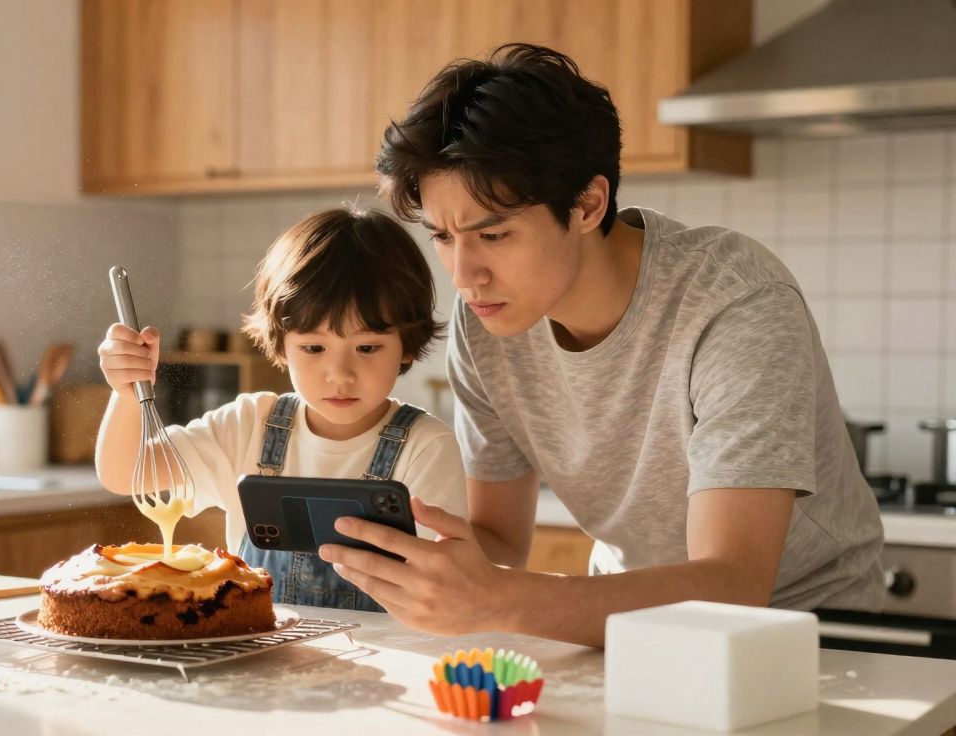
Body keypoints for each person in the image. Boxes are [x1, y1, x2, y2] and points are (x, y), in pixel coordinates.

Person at [318, 43, 883, 645]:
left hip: (807, 634)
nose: (464, 275)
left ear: (588, 204)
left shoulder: (735, 300)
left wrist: (503, 597)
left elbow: (733, 585)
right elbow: (501, 541)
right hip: (619, 626)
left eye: (495, 234)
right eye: (442, 237)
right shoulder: (484, 323)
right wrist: (382, 557)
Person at [94, 207, 468, 611]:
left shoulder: (426, 447)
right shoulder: (249, 426)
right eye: (313, 348)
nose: (339, 374)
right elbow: (123, 472)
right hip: (261, 658)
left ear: (407, 345)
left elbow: (443, 590)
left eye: (367, 348)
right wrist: (127, 393)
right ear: (281, 345)